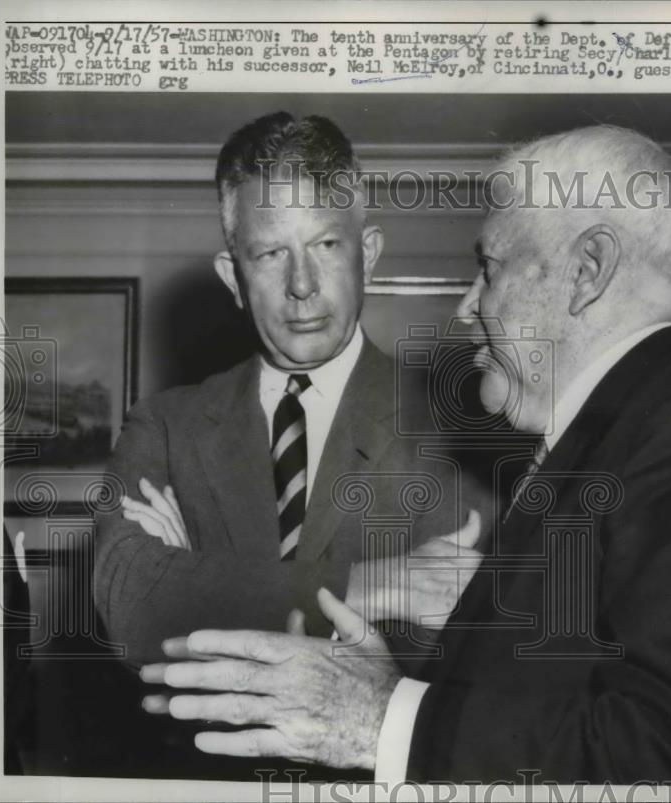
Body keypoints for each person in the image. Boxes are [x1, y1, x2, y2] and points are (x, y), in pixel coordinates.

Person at [138, 125, 671, 787]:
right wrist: (396, 688)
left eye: (490, 266)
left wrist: (385, 716)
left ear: (587, 270)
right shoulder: (603, 452)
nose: (466, 307)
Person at [93, 111, 488, 674]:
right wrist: (372, 584)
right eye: (271, 254)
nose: (301, 286)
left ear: (367, 255)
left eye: (326, 244)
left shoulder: (461, 426)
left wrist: (198, 579)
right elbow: (132, 603)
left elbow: (456, 643)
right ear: (234, 278)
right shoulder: (164, 426)